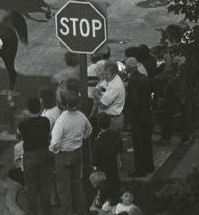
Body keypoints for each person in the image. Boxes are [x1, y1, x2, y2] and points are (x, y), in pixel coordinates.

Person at [50, 87, 92, 215]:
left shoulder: (61, 120)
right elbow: (89, 130)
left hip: (63, 154)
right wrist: (81, 138)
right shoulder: (82, 116)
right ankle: (81, 211)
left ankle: (67, 212)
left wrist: (54, 150)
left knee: (64, 188)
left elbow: (55, 142)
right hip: (77, 152)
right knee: (77, 184)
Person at [16, 97, 53, 215]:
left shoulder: (23, 124)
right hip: (44, 153)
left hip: (30, 156)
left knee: (31, 186)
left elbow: (18, 136)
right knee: (44, 185)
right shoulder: (46, 121)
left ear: (28, 109)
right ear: (40, 108)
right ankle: (46, 211)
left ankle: (33, 212)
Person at [125, 57, 154, 177]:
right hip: (147, 112)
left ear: (128, 68)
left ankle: (140, 169)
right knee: (147, 140)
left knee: (138, 142)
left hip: (138, 114)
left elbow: (134, 99)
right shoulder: (144, 78)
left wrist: (130, 111)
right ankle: (149, 165)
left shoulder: (132, 80)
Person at [91, 113, 123, 198]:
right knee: (115, 186)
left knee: (104, 192)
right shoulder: (116, 135)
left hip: (103, 170)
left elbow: (94, 160)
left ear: (98, 125)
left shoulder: (98, 141)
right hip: (114, 166)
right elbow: (120, 149)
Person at [94, 60, 126, 132]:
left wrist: (97, 96)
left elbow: (102, 105)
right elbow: (96, 90)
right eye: (104, 74)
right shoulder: (110, 79)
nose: (105, 77)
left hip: (112, 121)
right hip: (107, 118)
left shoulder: (115, 86)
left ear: (114, 73)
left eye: (107, 74)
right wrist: (99, 95)